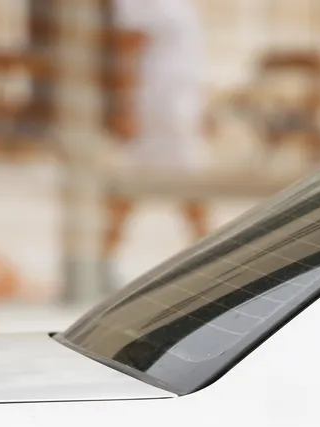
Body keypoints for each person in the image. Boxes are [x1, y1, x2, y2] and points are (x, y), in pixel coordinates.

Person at [102, 0, 210, 291]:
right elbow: (126, 49)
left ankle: (101, 259)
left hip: (179, 105)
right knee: (185, 184)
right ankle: (213, 261)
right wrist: (125, 106)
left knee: (144, 185)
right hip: (156, 108)